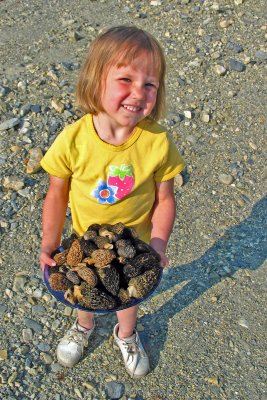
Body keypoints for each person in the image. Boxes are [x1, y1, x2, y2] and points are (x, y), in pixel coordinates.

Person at [39, 26, 184, 378]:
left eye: (150, 84)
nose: (139, 92)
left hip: (134, 244)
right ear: (95, 79)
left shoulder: (157, 142)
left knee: (128, 295)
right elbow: (56, 193)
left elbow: (165, 198)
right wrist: (50, 241)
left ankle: (127, 333)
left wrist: (158, 243)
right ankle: (84, 326)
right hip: (85, 241)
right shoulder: (73, 140)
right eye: (125, 79)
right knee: (86, 288)